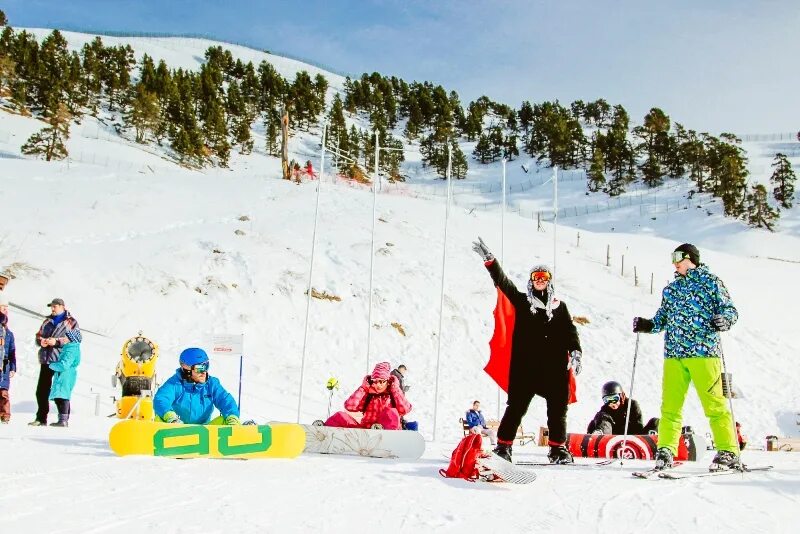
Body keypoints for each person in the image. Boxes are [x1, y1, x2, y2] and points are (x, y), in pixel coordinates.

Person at [472, 237, 583, 464]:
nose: (539, 280)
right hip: (526, 368)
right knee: (516, 408)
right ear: (531, 281)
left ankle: (557, 449)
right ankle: (503, 447)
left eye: (543, 277)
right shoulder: (523, 302)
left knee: (558, 410)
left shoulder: (559, 308)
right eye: (536, 277)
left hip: (554, 369)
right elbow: (504, 283)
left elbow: (570, 333)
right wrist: (491, 262)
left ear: (550, 281)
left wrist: (575, 352)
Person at [633, 243, 740, 471]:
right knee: (670, 406)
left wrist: (724, 320)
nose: (674, 262)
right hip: (674, 355)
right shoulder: (671, 290)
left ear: (690, 258)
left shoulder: (711, 282)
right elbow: (661, 319)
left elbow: (730, 310)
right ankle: (666, 450)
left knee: (714, 405)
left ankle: (728, 450)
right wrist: (648, 325)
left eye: (677, 257)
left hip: (704, 353)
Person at [153, 347, 240, 425]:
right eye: (200, 368)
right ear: (187, 369)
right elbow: (161, 398)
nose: (204, 372)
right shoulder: (175, 383)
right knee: (159, 419)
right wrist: (170, 417)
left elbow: (225, 400)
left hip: (204, 431)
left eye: (206, 366)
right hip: (177, 428)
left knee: (224, 420)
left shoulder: (211, 383)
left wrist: (232, 416)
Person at [31, 298, 82, 426]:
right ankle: (41, 418)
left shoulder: (71, 322)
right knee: (41, 390)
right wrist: (41, 341)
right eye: (51, 307)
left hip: (61, 361)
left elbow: (75, 339)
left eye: (54, 306)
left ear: (62, 307)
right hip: (46, 359)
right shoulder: (47, 321)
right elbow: (39, 335)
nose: (52, 309)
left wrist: (57, 341)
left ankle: (63, 419)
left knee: (60, 390)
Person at [324, 361, 411, 430]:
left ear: (387, 381)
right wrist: (363, 388)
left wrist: (395, 389)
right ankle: (322, 436)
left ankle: (385, 438)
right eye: (375, 381)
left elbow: (405, 409)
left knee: (391, 413)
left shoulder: (392, 394)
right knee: (340, 416)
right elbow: (349, 406)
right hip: (366, 432)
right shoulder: (368, 394)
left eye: (381, 381)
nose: (378, 384)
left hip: (387, 432)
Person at [586, 381, 659, 435]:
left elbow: (638, 426)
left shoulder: (632, 405)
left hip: (634, 436)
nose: (611, 403)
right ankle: (600, 436)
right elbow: (597, 423)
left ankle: (652, 438)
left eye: (614, 399)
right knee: (599, 417)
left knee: (656, 421)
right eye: (607, 400)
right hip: (613, 438)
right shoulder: (604, 411)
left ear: (621, 397)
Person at [46, 341, 81, 427]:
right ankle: (62, 419)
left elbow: (64, 365)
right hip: (63, 374)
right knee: (59, 397)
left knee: (62, 396)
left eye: (66, 337)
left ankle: (63, 420)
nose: (64, 339)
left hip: (65, 375)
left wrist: (51, 365)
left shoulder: (71, 349)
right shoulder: (68, 348)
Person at [0, 310, 16, 423]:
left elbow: (12, 351)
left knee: (3, 392)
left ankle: (5, 415)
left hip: (4, 365)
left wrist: (13, 367)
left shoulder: (9, 334)